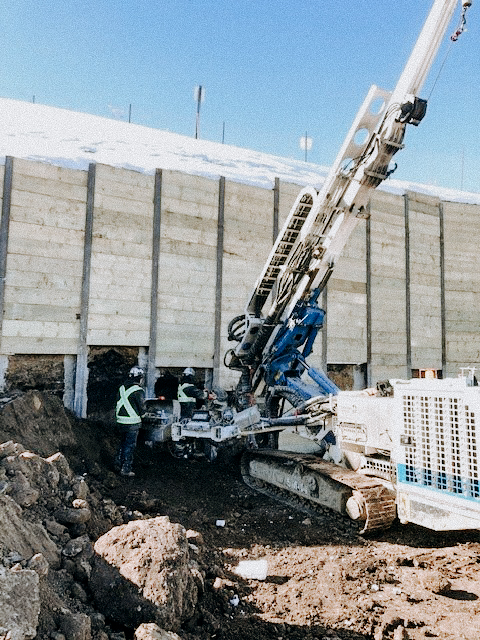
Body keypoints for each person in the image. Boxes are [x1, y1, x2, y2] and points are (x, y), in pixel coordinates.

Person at [114, 366, 145, 477]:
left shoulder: (121, 388)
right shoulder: (138, 390)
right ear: (140, 378)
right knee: (129, 445)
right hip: (132, 423)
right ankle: (126, 469)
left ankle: (117, 464)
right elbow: (142, 407)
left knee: (122, 443)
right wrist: (145, 415)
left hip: (120, 421)